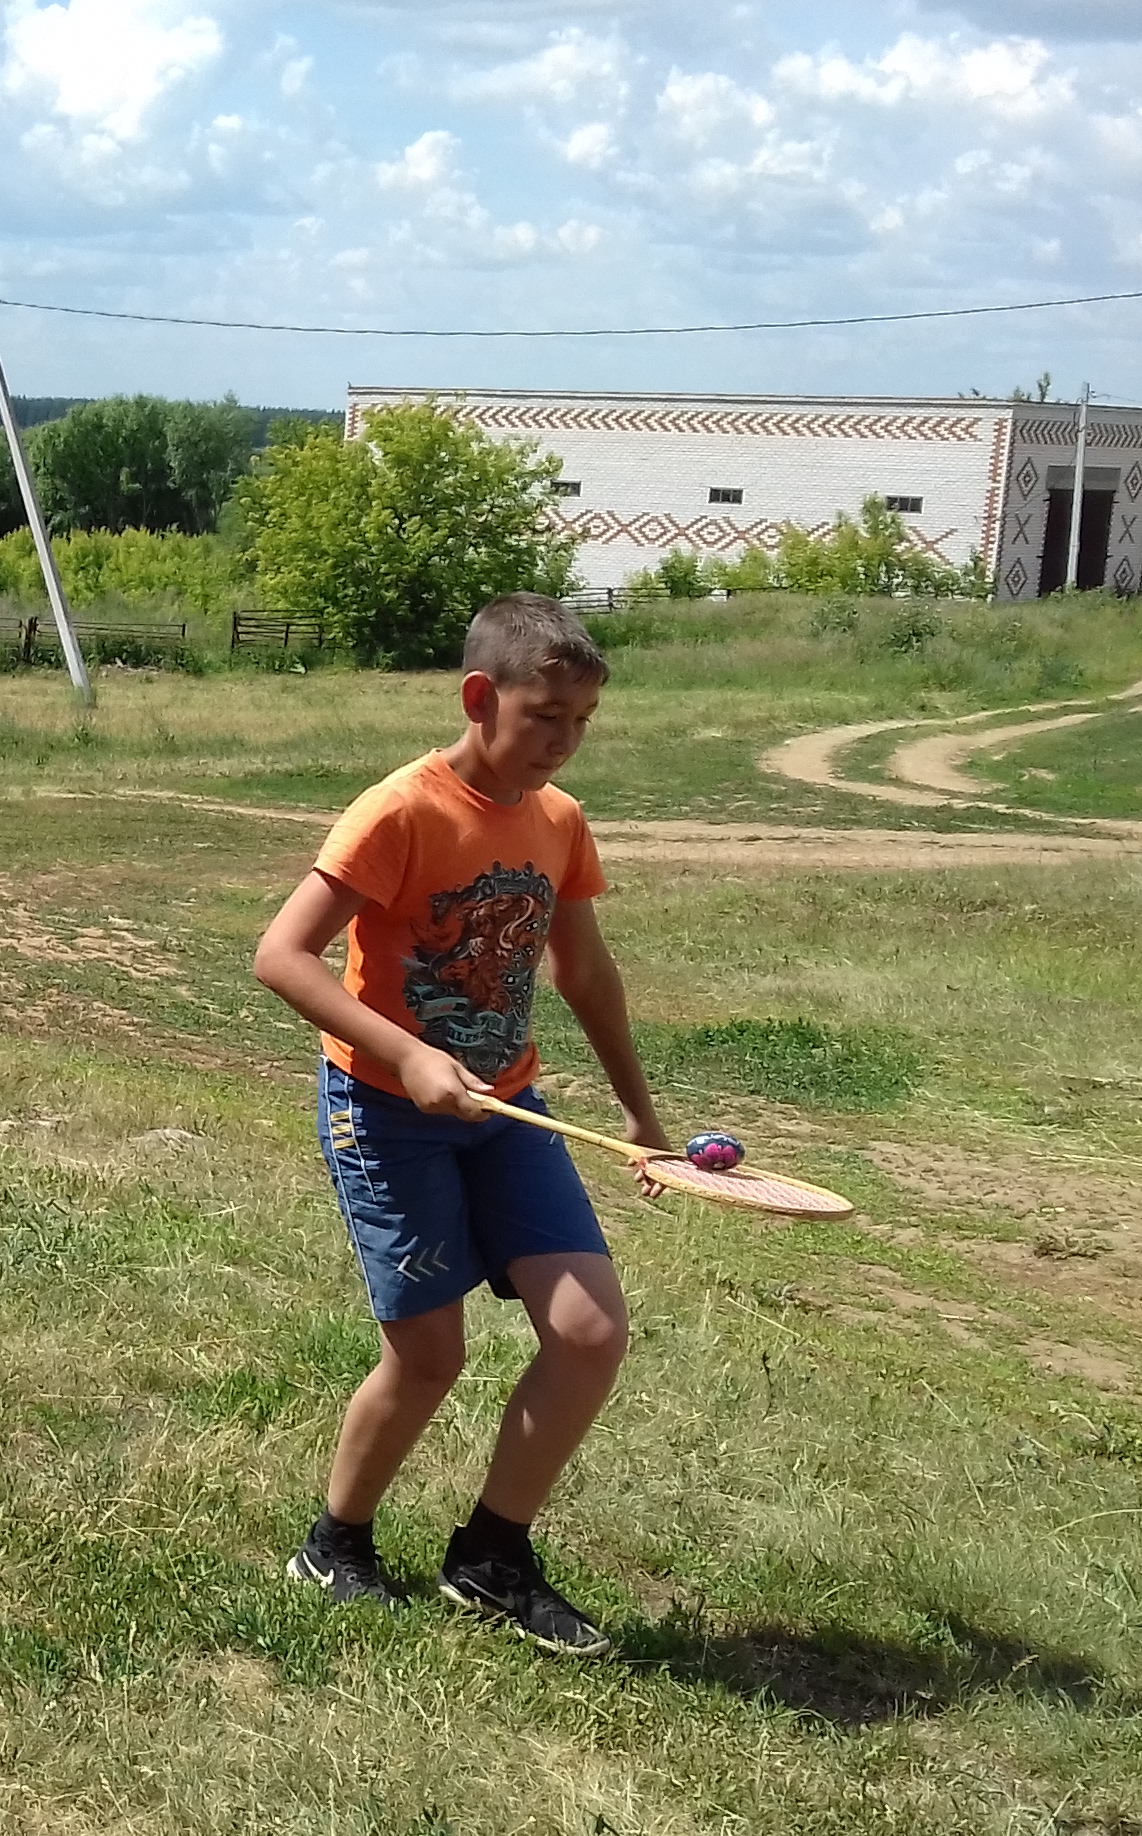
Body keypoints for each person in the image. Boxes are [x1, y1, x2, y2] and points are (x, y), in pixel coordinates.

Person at [250, 592, 662, 1660]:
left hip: (510, 1110)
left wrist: (638, 1110)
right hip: (387, 1114)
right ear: (482, 698)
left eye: (582, 720)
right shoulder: (399, 811)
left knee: (590, 1332)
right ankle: (334, 1543)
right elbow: (281, 956)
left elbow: (583, 970)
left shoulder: (558, 821)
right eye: (545, 717)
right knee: (429, 1356)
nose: (564, 742)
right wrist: (407, 1054)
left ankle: (491, 1557)